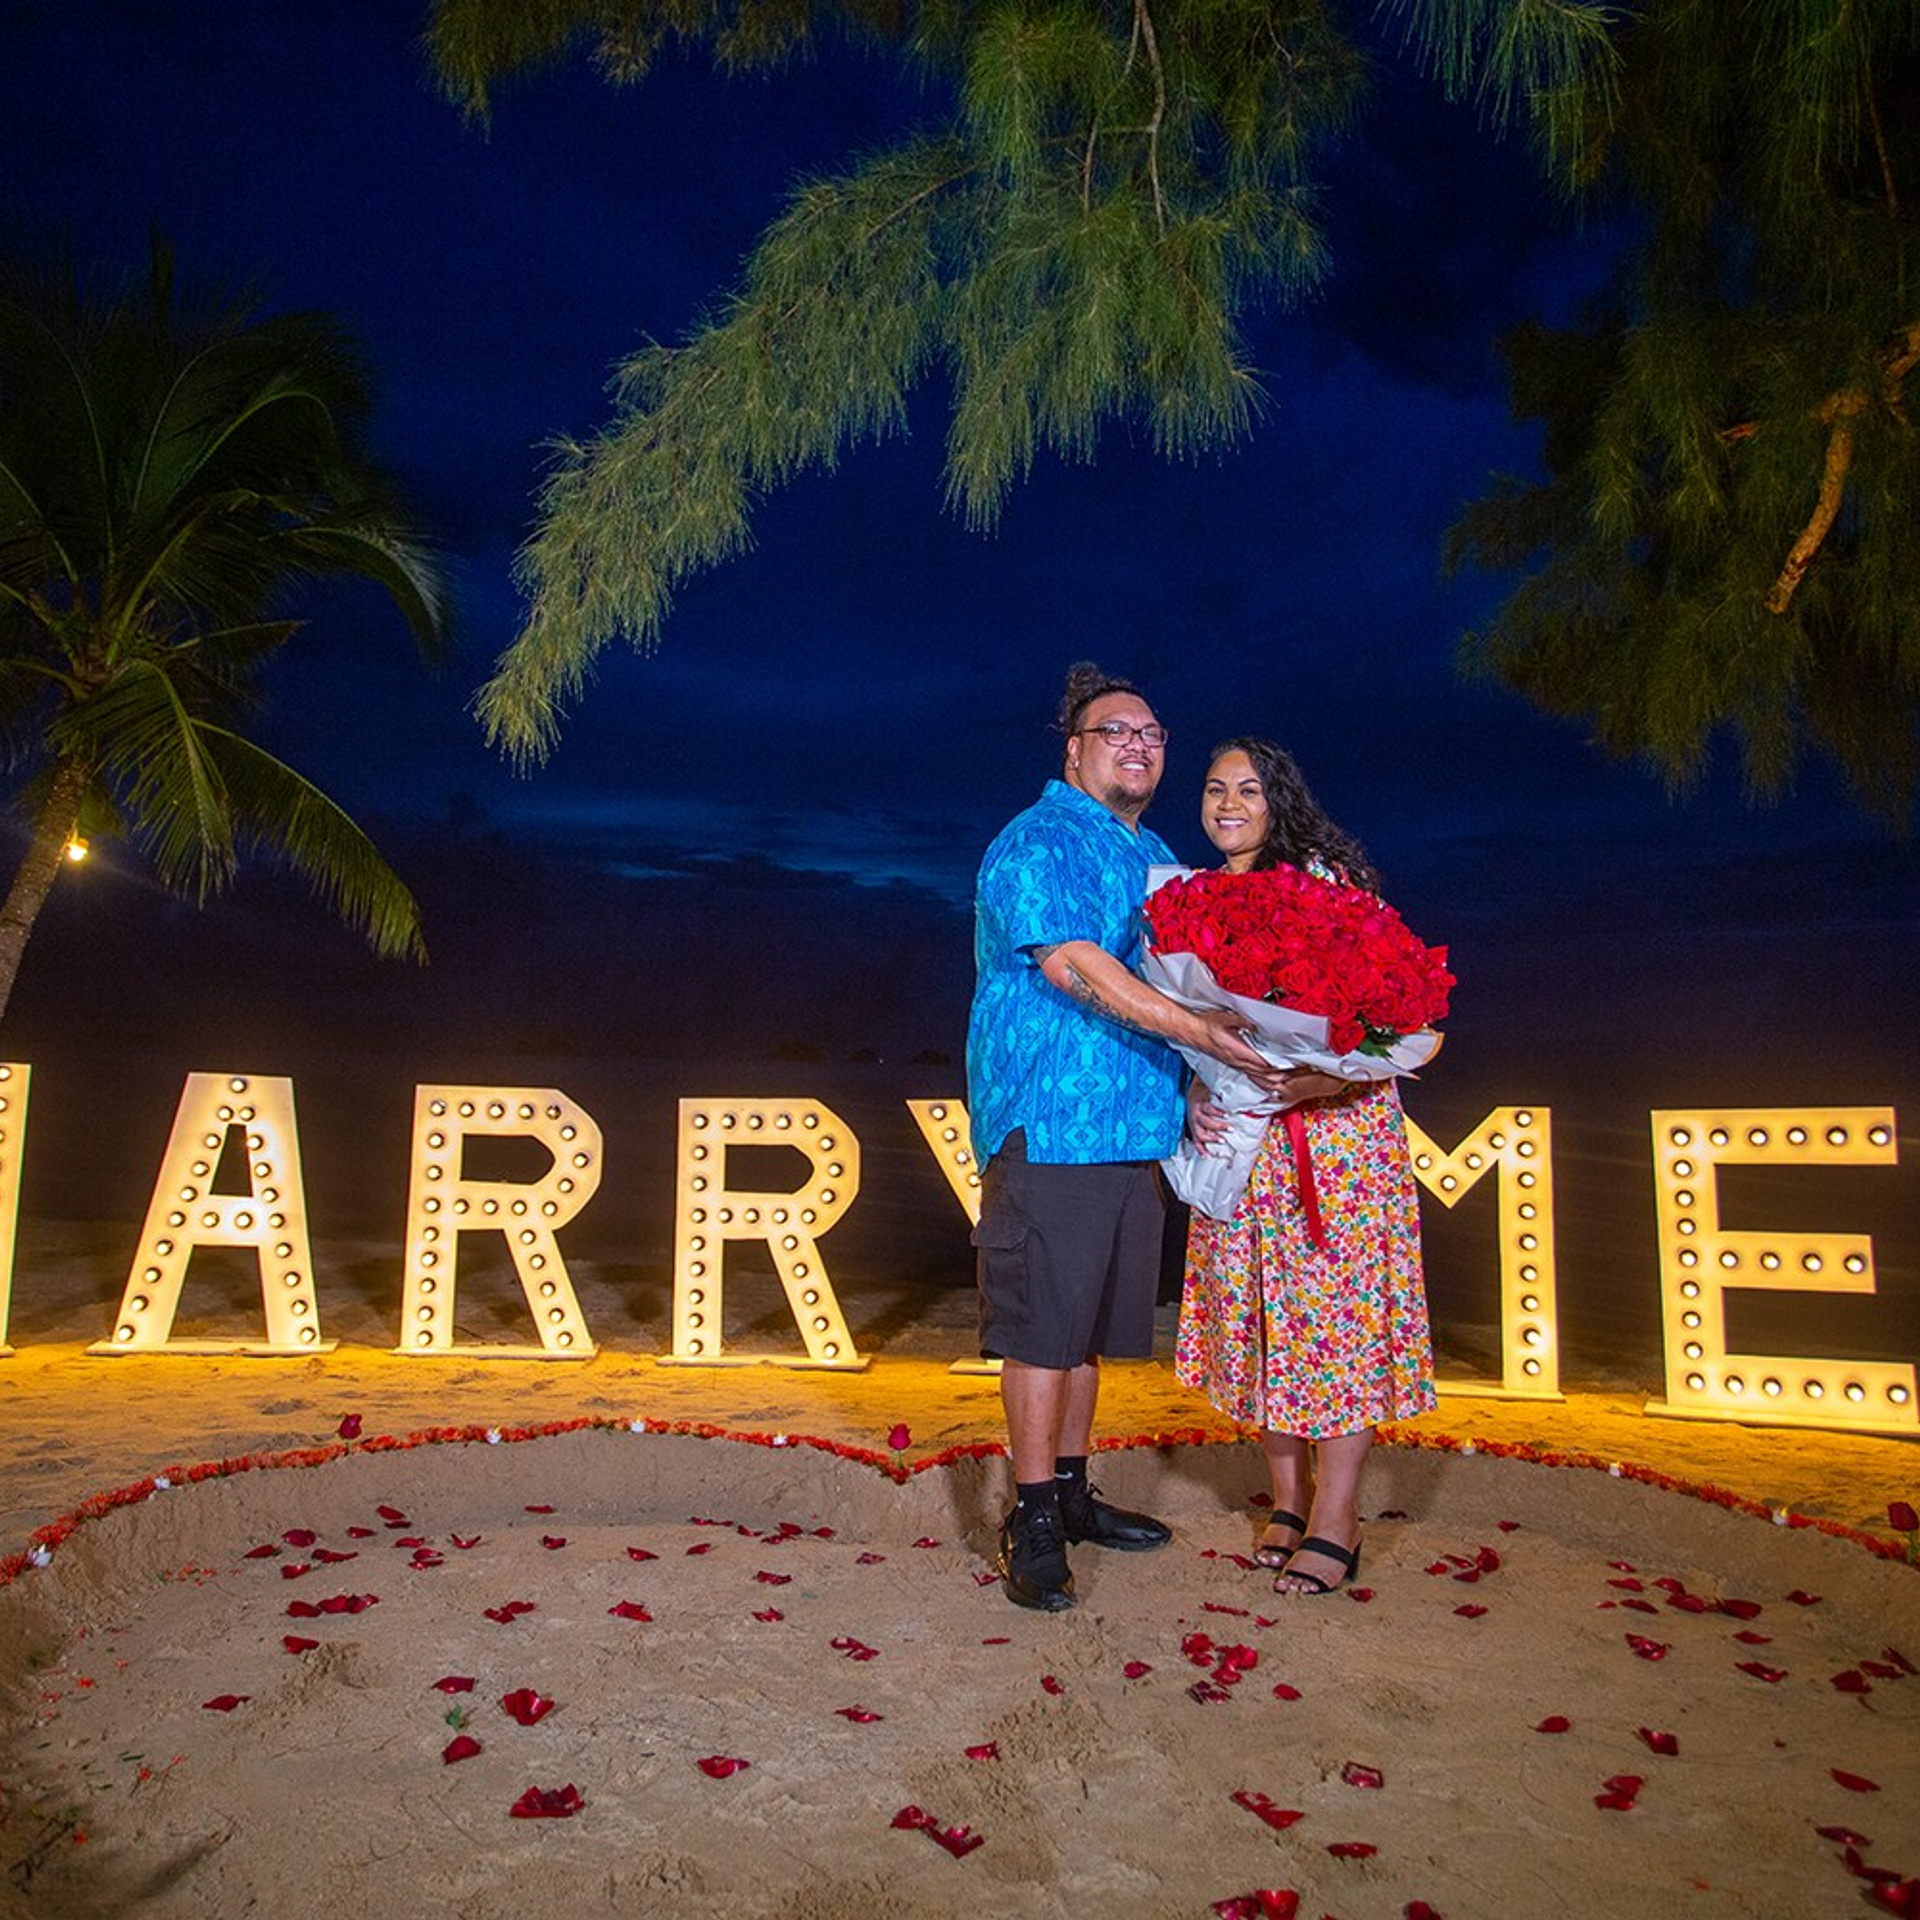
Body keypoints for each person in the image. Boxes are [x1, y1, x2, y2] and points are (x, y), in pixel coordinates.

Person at [968, 668, 1297, 1611]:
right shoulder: (1036, 839)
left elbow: (1181, 984)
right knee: (1042, 1332)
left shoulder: (1153, 853)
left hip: (1138, 1128)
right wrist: (1199, 1035)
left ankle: (1072, 1493)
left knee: (1087, 1334)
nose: (1139, 745)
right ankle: (1032, 1515)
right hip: (1054, 1122)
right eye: (1116, 731)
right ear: (1073, 750)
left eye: (1153, 734)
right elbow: (1075, 966)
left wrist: (1193, 1079)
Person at [1173, 737, 1438, 1596]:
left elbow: (1396, 1020)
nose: (1228, 804)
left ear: (1279, 799)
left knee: (1336, 1324)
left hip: (1337, 1141)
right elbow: (1188, 1025)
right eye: (1215, 788)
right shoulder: (1188, 903)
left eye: (1248, 789)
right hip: (1248, 1142)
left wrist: (1321, 1077)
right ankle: (1288, 1502)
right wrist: (1195, 1091)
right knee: (1261, 1319)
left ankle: (1338, 1514)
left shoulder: (1331, 884)